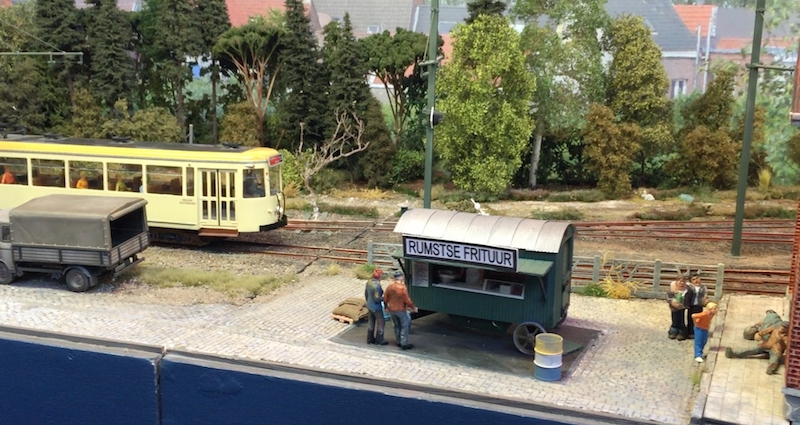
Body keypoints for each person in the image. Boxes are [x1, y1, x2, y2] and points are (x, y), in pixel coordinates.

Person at [383, 271, 418, 350]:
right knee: (405, 325)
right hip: (400, 309)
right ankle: (404, 343)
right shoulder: (402, 288)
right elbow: (407, 300)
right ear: (401, 277)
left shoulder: (390, 287)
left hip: (392, 309)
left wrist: (386, 307)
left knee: (396, 326)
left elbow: (385, 298)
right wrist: (413, 307)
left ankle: (398, 341)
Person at [364, 268, 388, 346]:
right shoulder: (376, 286)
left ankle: (369, 338)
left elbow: (366, 294)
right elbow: (377, 299)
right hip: (376, 307)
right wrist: (384, 298)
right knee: (381, 322)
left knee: (371, 321)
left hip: (369, 305)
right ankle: (379, 339)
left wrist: (368, 302)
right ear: (379, 276)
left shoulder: (369, 282)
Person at [685, 272, 709, 339]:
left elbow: (705, 295)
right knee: (690, 319)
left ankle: (697, 332)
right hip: (692, 305)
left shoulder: (703, 287)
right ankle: (690, 332)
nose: (696, 281)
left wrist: (705, 300)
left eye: (697, 278)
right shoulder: (690, 287)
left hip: (699, 305)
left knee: (699, 319)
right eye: (694, 279)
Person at [666, 274, 690, 340]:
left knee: (681, 318)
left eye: (683, 281)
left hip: (682, 307)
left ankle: (682, 332)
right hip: (674, 308)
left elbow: (689, 297)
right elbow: (668, 297)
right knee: (675, 318)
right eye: (680, 281)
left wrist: (685, 304)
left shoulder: (687, 290)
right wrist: (672, 302)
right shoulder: (672, 289)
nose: (682, 283)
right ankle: (673, 331)